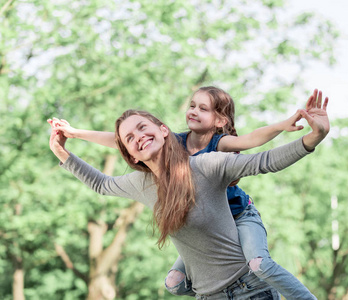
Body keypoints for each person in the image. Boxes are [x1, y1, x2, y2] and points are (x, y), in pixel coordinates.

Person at [48, 87, 323, 300]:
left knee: (260, 262)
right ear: (129, 153)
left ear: (163, 130)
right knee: (173, 283)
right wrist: (64, 149)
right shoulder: (141, 184)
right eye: (129, 138)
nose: (138, 137)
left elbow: (264, 160)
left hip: (249, 289)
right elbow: (101, 183)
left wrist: (313, 137)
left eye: (143, 127)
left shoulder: (208, 163)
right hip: (209, 296)